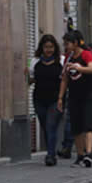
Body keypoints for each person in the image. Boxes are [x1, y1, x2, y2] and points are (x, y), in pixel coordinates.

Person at [56, 30, 92, 168]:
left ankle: (89, 154)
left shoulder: (86, 54)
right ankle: (80, 155)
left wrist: (79, 68)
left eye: (68, 43)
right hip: (74, 96)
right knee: (76, 127)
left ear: (75, 43)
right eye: (64, 44)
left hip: (89, 95)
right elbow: (64, 79)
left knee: (88, 125)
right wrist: (60, 97)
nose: (66, 46)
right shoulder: (67, 58)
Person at [29, 34, 63, 166]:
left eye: (51, 47)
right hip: (39, 99)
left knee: (51, 125)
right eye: (46, 47)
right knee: (45, 126)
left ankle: (50, 155)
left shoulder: (60, 60)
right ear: (41, 48)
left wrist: (61, 97)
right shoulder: (35, 62)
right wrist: (27, 76)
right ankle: (51, 150)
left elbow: (65, 79)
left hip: (56, 99)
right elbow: (31, 80)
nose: (49, 50)